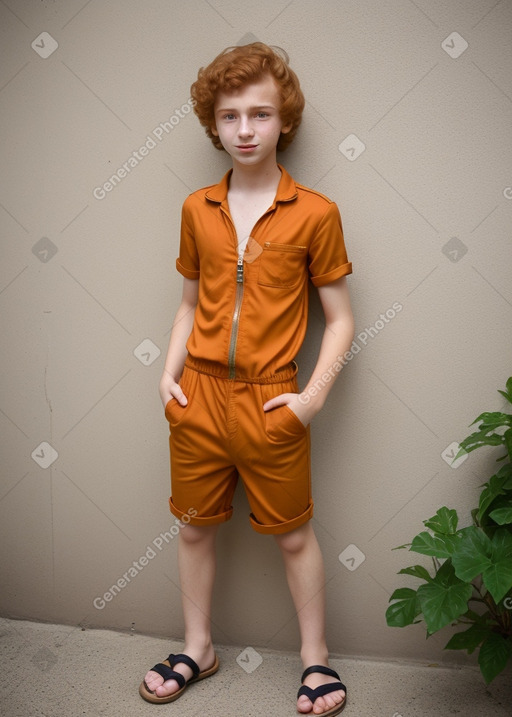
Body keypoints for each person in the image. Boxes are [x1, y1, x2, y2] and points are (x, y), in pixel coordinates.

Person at [139, 42, 354, 716]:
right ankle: (198, 645)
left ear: (284, 119)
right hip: (196, 396)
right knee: (195, 529)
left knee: (293, 533)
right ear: (214, 124)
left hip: (272, 399)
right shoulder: (196, 208)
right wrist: (167, 377)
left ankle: (316, 662)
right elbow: (186, 303)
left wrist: (309, 399)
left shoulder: (316, 213)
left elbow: (341, 320)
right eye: (230, 116)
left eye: (260, 113)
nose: (246, 129)